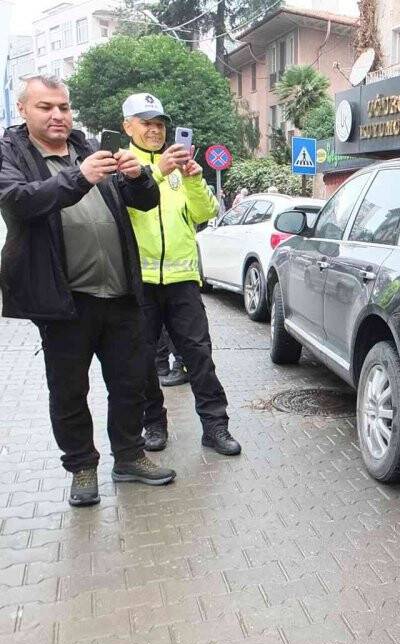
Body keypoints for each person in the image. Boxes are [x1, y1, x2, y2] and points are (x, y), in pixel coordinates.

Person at [0, 76, 177, 507]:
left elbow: (144, 202)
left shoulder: (89, 147)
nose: (58, 115)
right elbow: (20, 200)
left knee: (130, 383)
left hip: (120, 294)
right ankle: (82, 467)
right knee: (69, 391)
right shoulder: (12, 154)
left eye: (63, 106)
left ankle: (130, 457)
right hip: (64, 300)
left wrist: (137, 179)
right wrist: (80, 178)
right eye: (46, 107)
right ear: (24, 110)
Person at [121, 93, 241, 456]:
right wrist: (160, 171)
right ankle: (153, 425)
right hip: (139, 283)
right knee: (143, 363)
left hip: (183, 281)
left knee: (200, 357)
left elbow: (205, 213)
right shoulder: (122, 164)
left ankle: (215, 427)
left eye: (160, 124)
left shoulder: (181, 169)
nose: (155, 130)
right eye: (147, 123)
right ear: (128, 126)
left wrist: (193, 178)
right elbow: (125, 202)